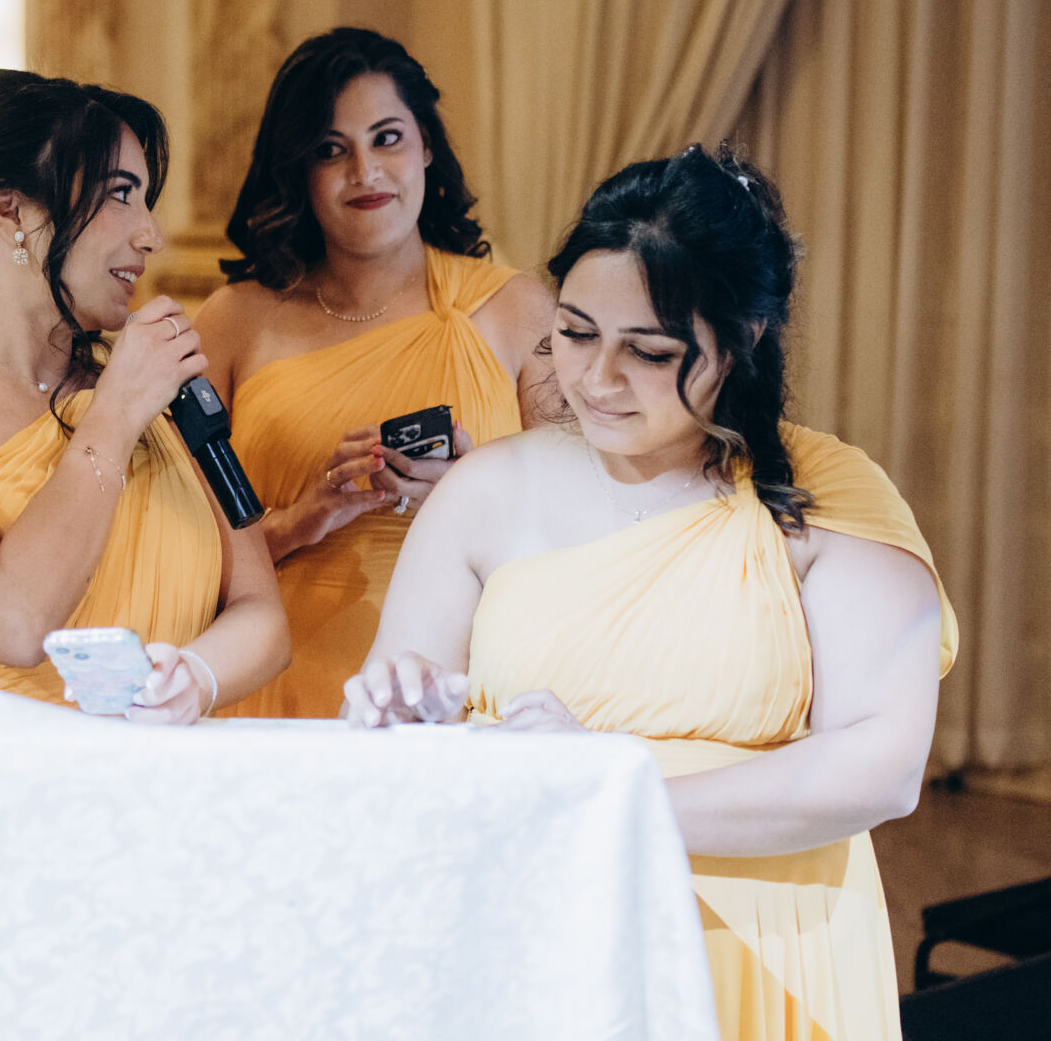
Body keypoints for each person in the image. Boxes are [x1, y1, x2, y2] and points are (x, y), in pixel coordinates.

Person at [346, 145, 954, 1041]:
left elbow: (882, 766)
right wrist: (399, 715)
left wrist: (611, 791)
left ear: (744, 338)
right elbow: (401, 704)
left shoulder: (827, 498)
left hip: (756, 942)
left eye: (650, 351)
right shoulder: (487, 490)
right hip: (533, 926)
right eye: (576, 333)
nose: (596, 379)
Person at [0, 69, 289, 719]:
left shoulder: (151, 387)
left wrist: (194, 677)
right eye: (120, 194)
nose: (151, 235)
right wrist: (115, 415)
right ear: (10, 208)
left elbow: (261, 610)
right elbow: (14, 622)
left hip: (170, 770)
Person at [193, 27, 554, 718]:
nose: (364, 171)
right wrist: (299, 521)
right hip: (270, 682)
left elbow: (585, 527)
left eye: (386, 138)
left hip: (453, 689)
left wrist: (468, 501)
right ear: (298, 170)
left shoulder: (516, 310)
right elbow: (170, 543)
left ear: (426, 146)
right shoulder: (234, 321)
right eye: (331, 150)